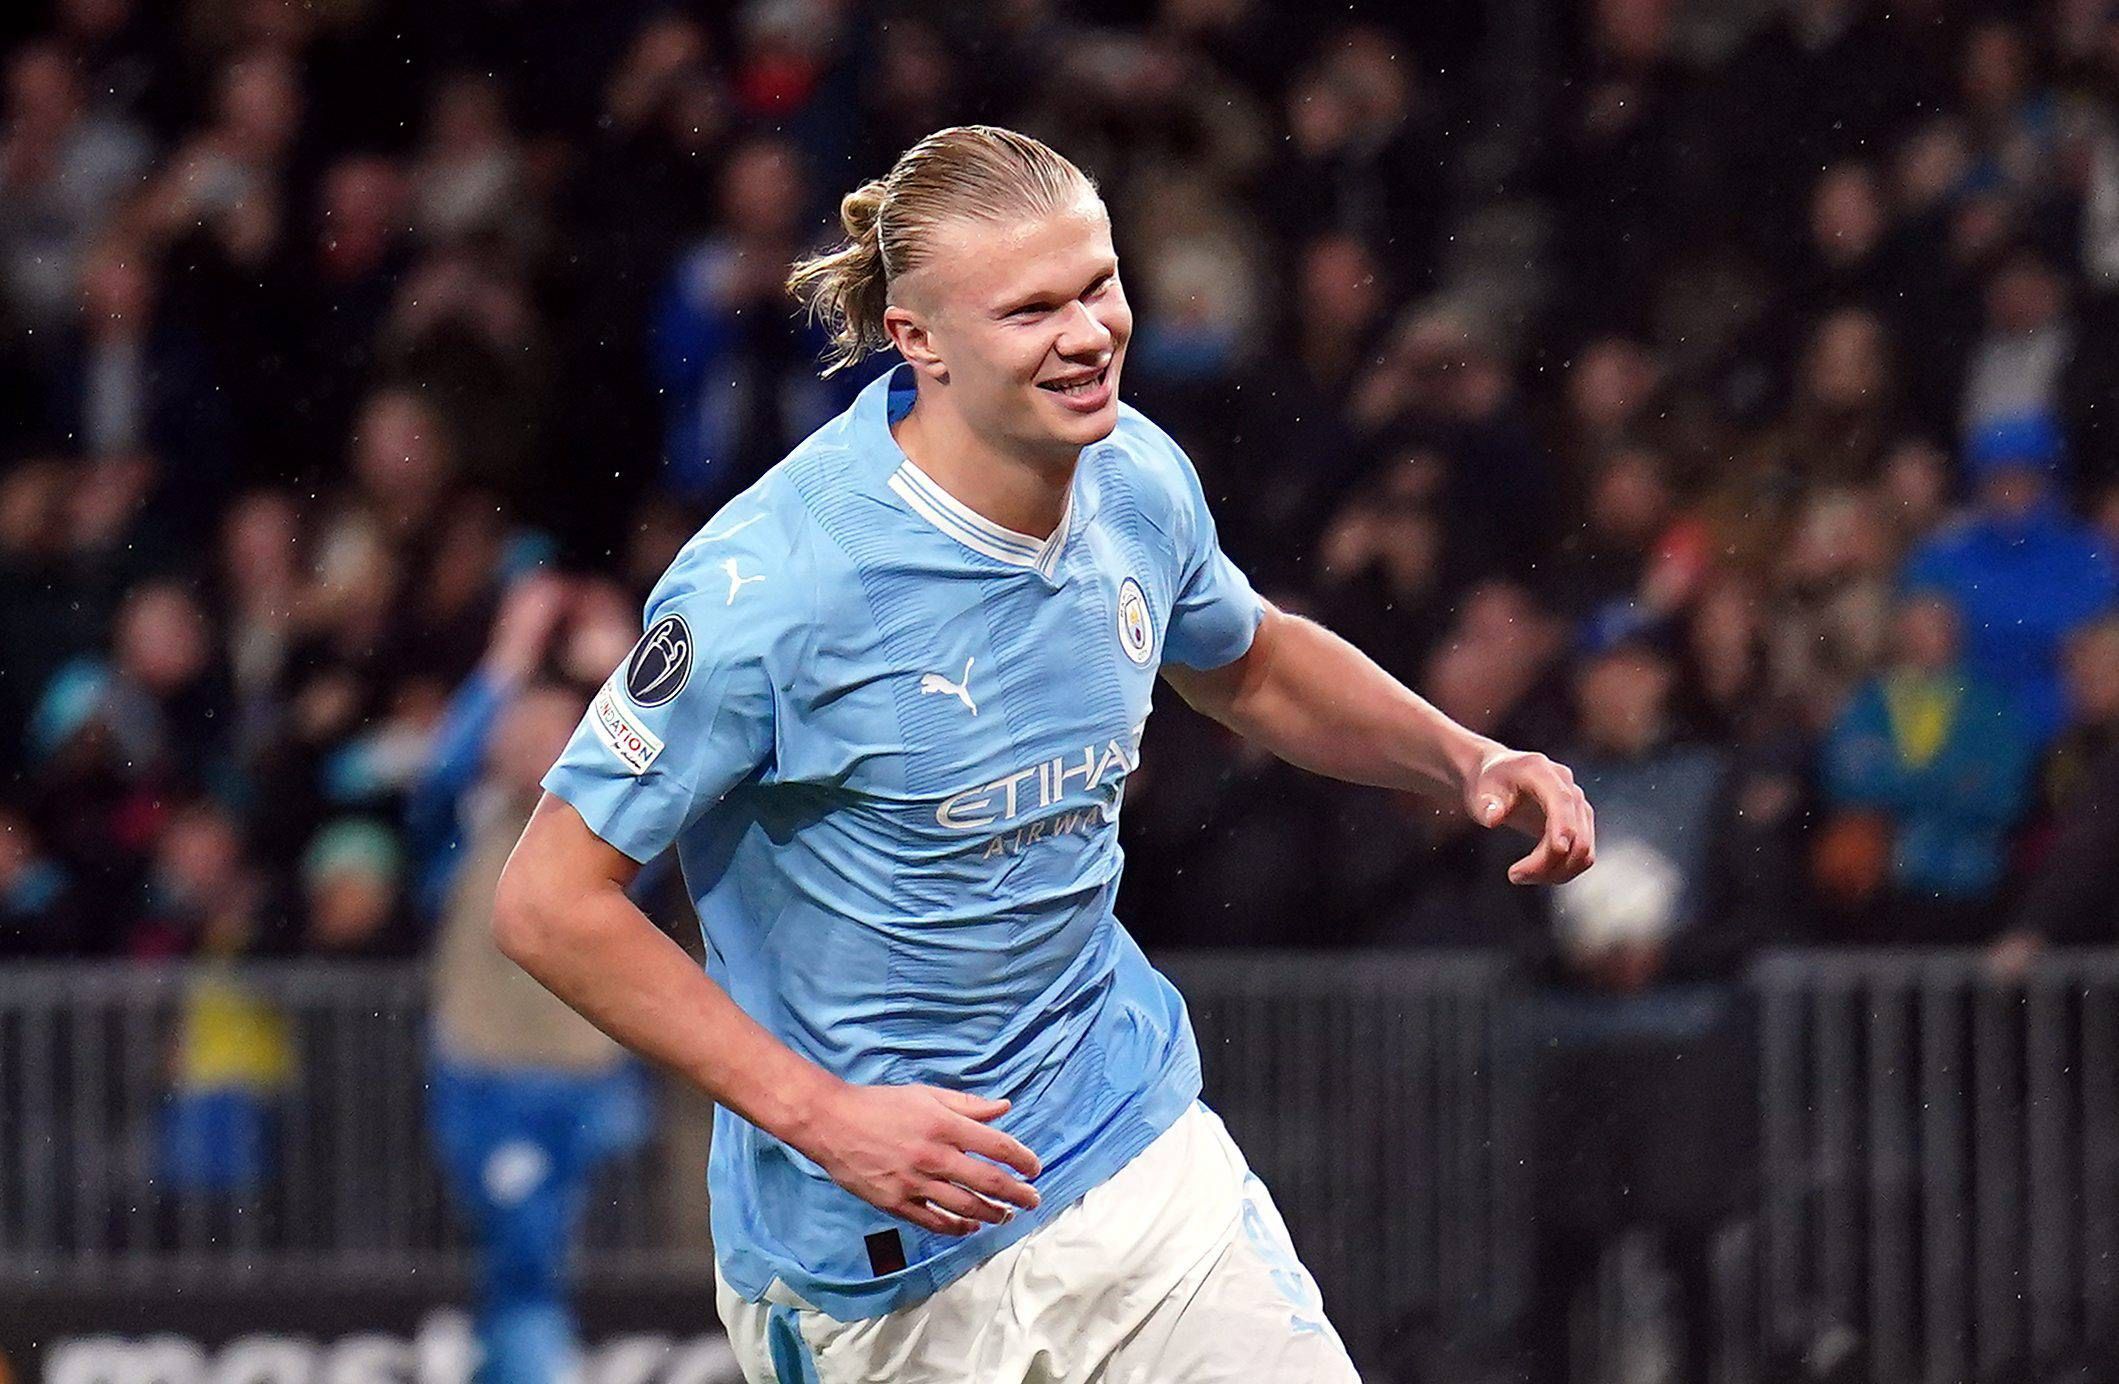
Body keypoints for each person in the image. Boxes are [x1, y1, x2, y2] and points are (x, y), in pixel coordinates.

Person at [492, 126, 1594, 1383]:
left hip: (1132, 1154)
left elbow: (1248, 661)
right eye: (1031, 309)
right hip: (881, 1264)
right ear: (919, 341)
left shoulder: (1135, 478)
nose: (1087, 334)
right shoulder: (774, 585)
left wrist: (1460, 760)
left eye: (1099, 284)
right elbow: (547, 903)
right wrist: (825, 1117)